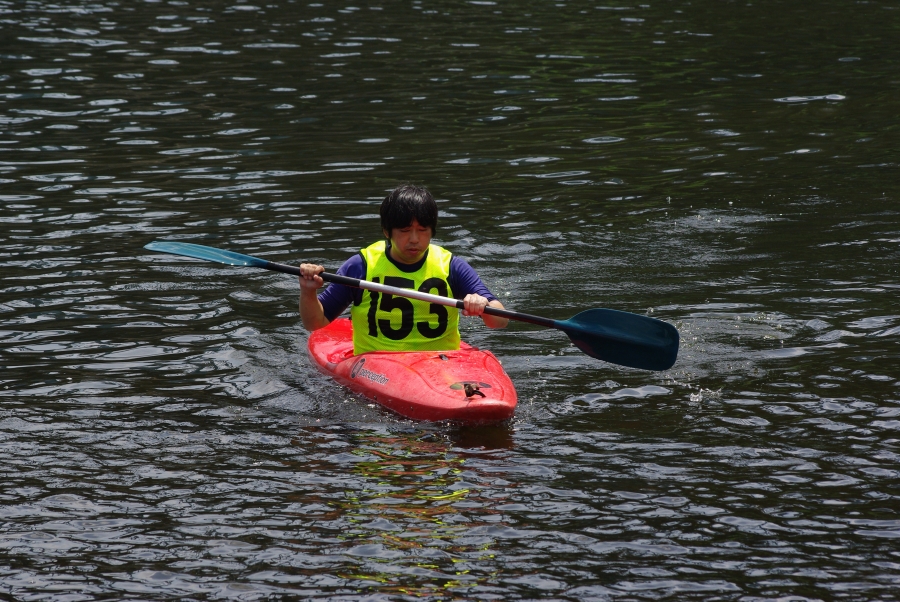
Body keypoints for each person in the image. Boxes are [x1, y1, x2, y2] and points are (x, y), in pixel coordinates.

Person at [299, 184, 508, 354]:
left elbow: (500, 321)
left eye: (422, 230)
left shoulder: (452, 266)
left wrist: (482, 304)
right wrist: (308, 291)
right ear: (387, 232)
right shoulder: (361, 266)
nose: (414, 239)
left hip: (442, 365)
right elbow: (315, 323)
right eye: (405, 231)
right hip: (378, 365)